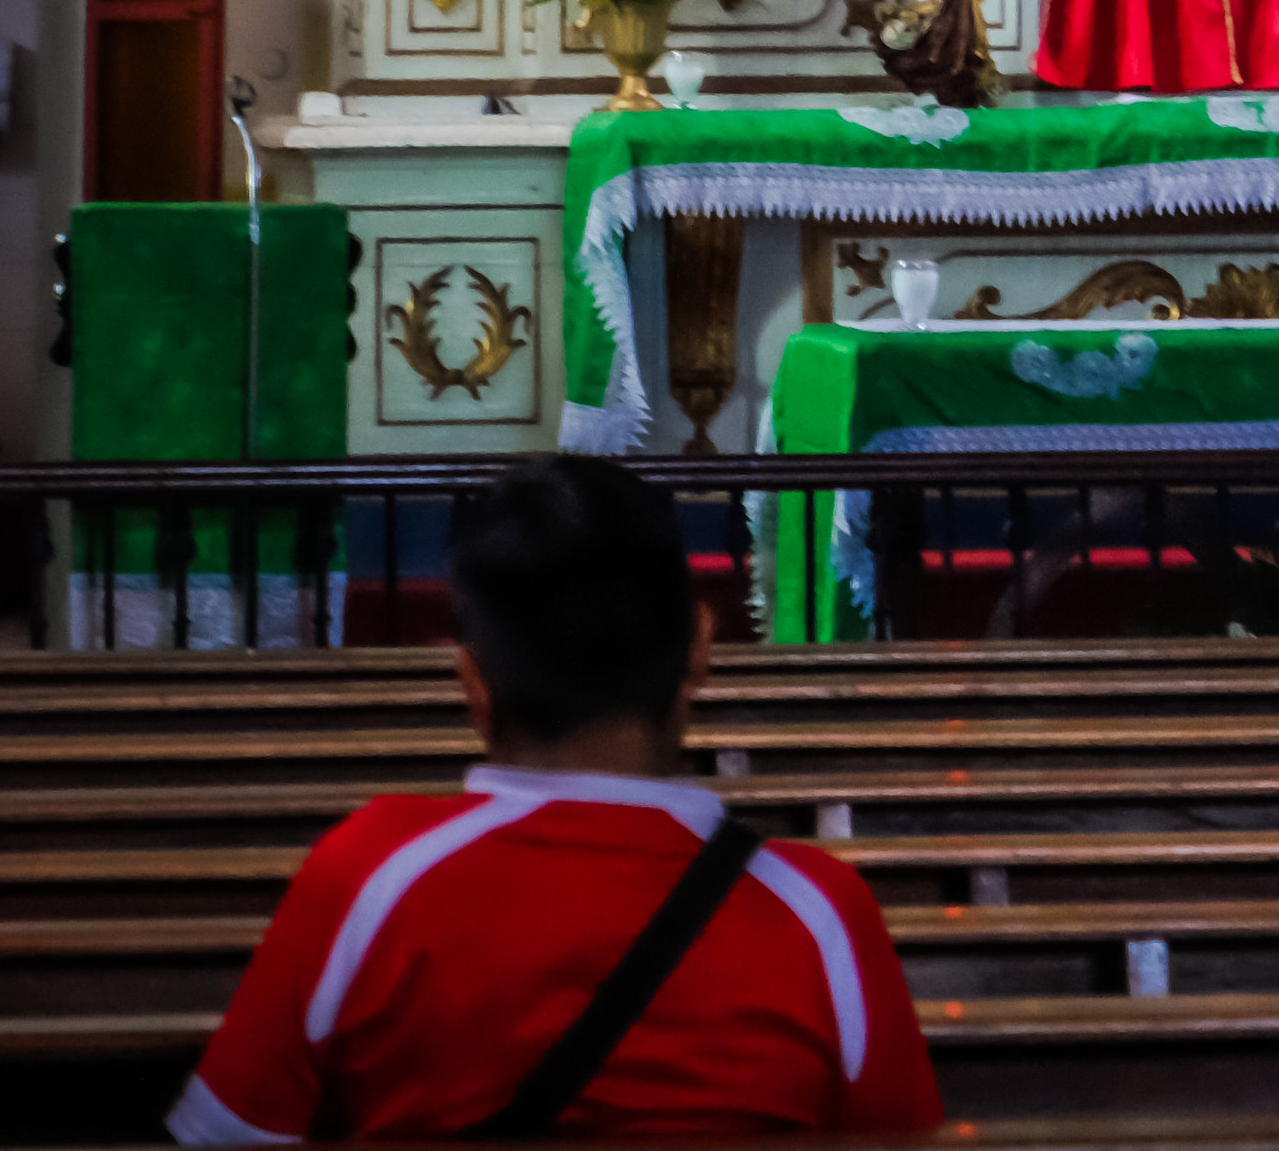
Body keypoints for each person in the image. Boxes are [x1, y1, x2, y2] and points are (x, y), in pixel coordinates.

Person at [167, 458, 938, 1143]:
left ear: (471, 681)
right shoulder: (818, 913)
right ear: (700, 647)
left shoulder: (366, 876)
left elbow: (232, 1130)